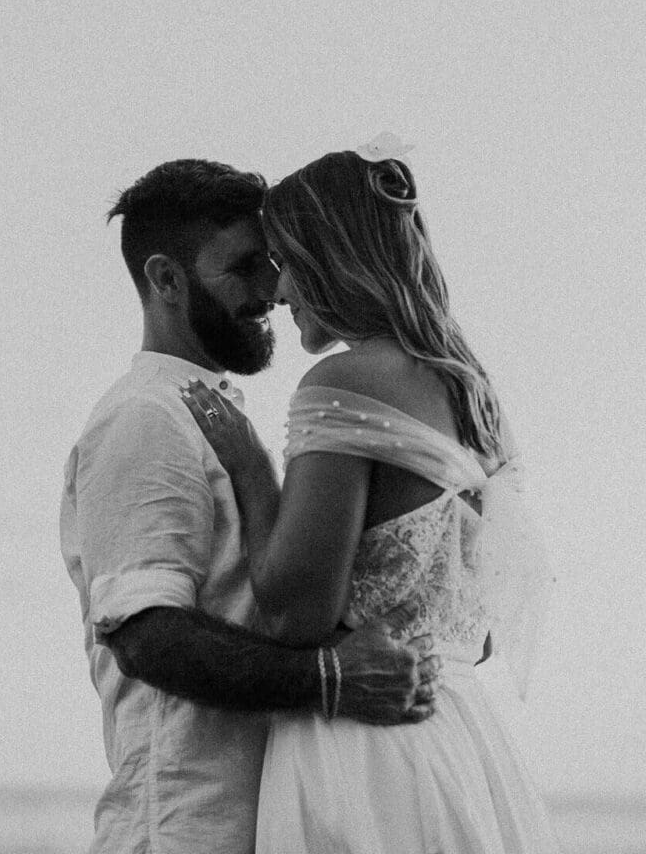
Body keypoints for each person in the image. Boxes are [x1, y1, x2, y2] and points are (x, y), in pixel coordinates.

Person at [179, 141, 560, 853]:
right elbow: (473, 637)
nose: (279, 291)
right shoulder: (475, 397)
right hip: (465, 745)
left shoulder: (344, 384)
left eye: (286, 262)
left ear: (330, 259)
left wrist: (252, 470)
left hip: (364, 755)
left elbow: (296, 612)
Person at [60, 157, 442, 854]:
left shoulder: (209, 413)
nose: (272, 289)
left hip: (269, 819)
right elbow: (145, 635)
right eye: (243, 269)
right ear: (165, 280)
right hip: (188, 826)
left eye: (273, 264)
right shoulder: (143, 417)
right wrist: (330, 679)